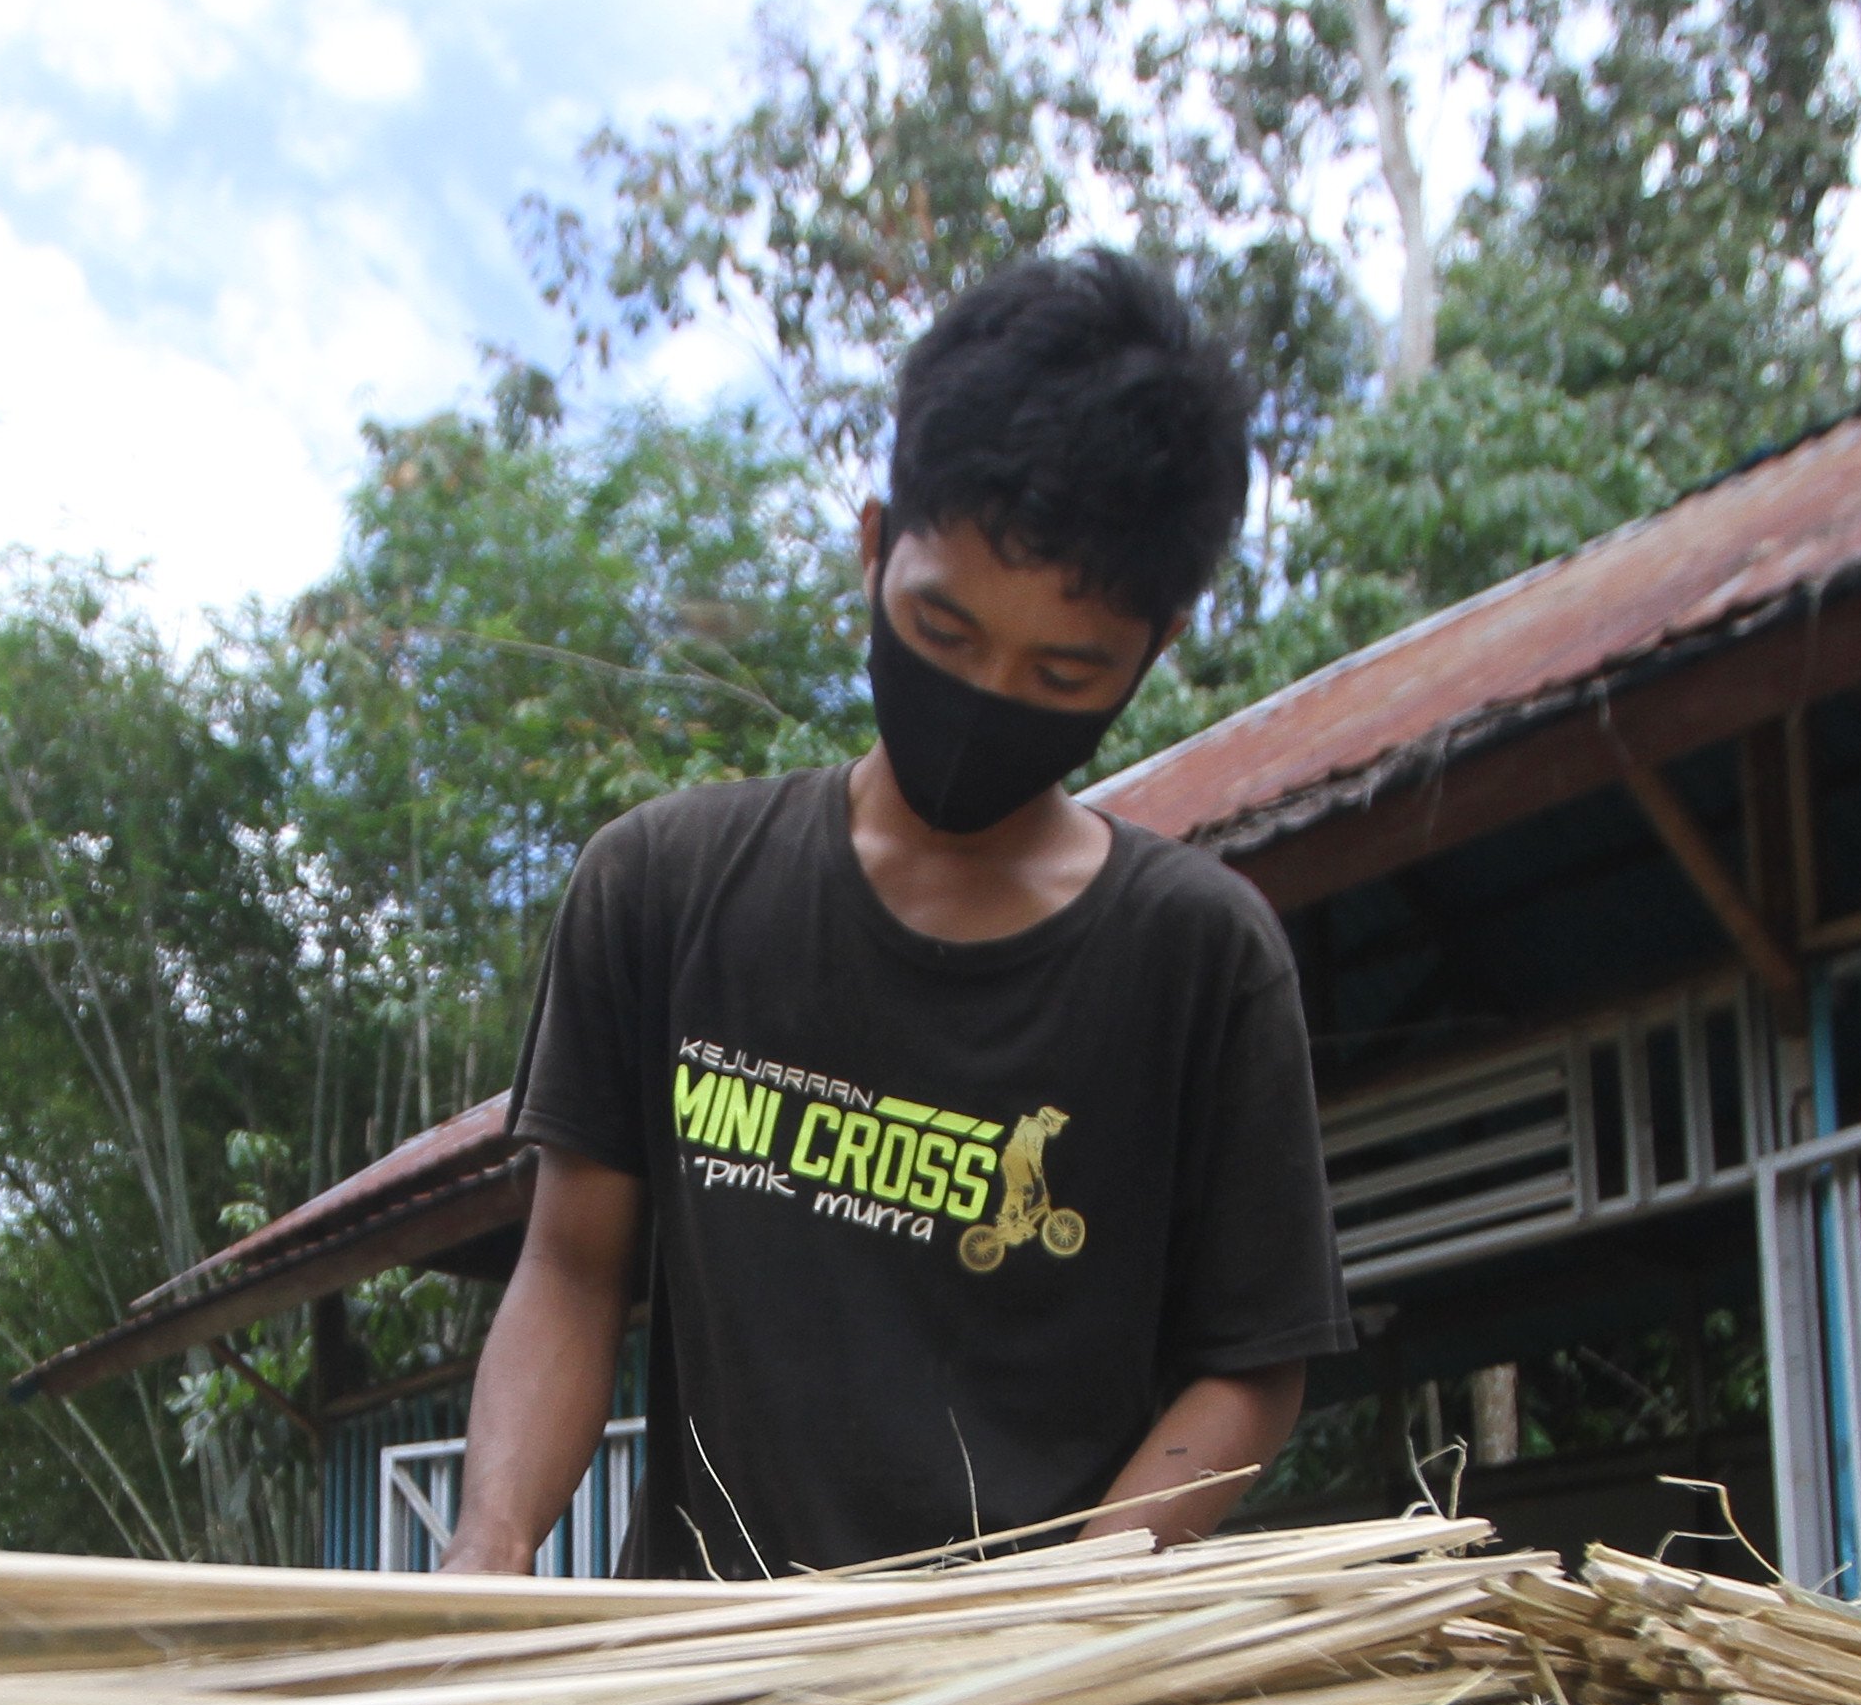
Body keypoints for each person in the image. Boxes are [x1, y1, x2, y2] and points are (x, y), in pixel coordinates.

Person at [444, 250, 1347, 1581]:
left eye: (1064, 668)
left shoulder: (1198, 963)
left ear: (1152, 651)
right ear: (874, 548)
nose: (989, 691)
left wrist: (1057, 1606)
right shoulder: (665, 890)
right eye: (943, 628)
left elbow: (1249, 1371)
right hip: (697, 1697)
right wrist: (491, 1543)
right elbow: (574, 1270)